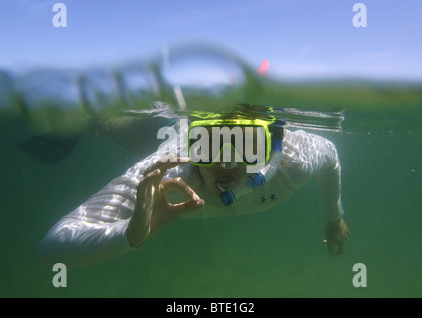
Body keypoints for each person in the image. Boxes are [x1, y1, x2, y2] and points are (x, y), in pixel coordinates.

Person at [37, 114, 350, 267]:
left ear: (271, 149)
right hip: (167, 131)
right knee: (117, 128)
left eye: (248, 145)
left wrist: (335, 215)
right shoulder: (168, 170)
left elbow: (332, 158)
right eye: (211, 144)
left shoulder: (294, 159)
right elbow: (52, 246)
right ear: (193, 144)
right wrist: (131, 232)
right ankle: (91, 121)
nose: (228, 162)